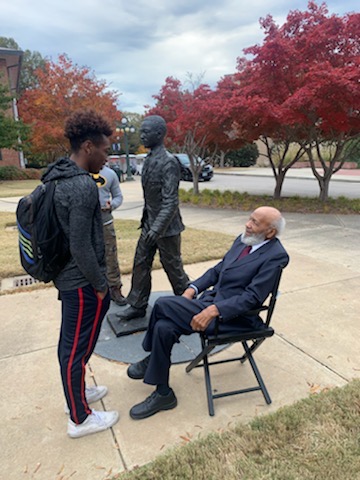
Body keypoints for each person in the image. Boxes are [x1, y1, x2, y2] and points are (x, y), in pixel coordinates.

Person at [126, 206, 289, 420]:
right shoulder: (244, 240)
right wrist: (192, 289)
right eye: (250, 219)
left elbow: (253, 297)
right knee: (164, 327)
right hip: (210, 304)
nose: (248, 225)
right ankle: (163, 393)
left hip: (234, 319)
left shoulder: (276, 256)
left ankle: (150, 356)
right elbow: (217, 271)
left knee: (163, 305)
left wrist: (215, 310)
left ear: (270, 232)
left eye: (256, 223)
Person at [41, 109, 119, 438]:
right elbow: (81, 245)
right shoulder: (82, 185)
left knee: (74, 346)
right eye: (105, 149)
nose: (107, 157)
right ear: (88, 146)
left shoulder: (55, 175)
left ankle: (77, 395)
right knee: (73, 350)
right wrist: (101, 285)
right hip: (82, 281)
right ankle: (80, 418)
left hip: (69, 277)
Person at [118, 115, 189, 321]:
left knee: (173, 268)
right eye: (141, 131)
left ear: (159, 134)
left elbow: (170, 202)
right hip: (149, 224)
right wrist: (149, 225)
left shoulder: (169, 162)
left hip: (167, 228)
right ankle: (138, 305)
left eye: (146, 132)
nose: (141, 135)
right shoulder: (148, 160)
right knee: (140, 263)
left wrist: (156, 229)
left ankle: (188, 303)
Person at [92, 164, 126, 306]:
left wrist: (111, 204)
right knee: (89, 257)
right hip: (85, 225)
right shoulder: (79, 172)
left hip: (105, 223)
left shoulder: (110, 174)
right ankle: (93, 290)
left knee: (111, 257)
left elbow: (118, 196)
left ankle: (114, 289)